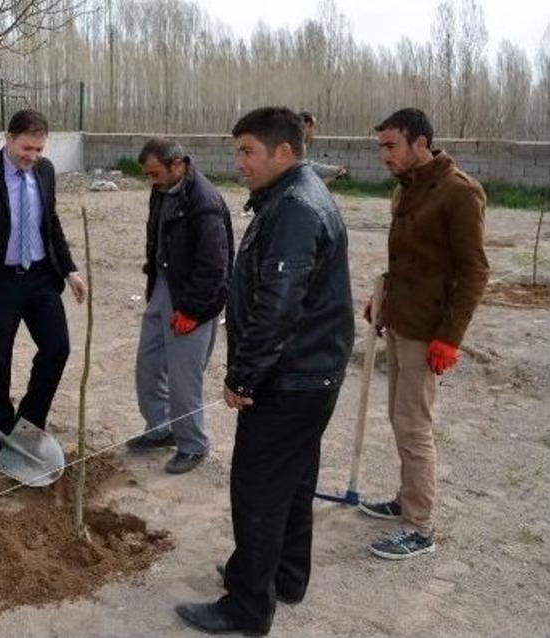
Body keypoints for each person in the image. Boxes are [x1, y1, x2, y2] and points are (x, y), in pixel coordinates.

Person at [176, 106, 354, 636]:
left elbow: (279, 303)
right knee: (295, 480)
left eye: (248, 151)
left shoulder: (296, 207)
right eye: (238, 152)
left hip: (291, 378)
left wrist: (243, 377)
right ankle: (286, 576)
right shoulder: (294, 197)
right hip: (312, 373)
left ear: (283, 152)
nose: (239, 163)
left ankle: (247, 605)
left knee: (257, 487)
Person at [359, 107, 489, 560]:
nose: (383, 156)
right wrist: (383, 300)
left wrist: (450, 338)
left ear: (420, 143)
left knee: (414, 425)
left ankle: (419, 527)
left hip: (428, 331)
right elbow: (412, 262)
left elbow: (474, 271)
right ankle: (406, 499)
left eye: (390, 146)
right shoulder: (408, 189)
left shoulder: (458, 193)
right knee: (400, 417)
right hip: (401, 321)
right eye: (381, 147)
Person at [0, 108, 87, 469]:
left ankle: (27, 429)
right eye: (26, 148)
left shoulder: (45, 171)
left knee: (57, 348)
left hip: (41, 276)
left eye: (39, 149)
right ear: (8, 138)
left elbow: (50, 222)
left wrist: (70, 269)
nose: (33, 156)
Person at [126, 138, 233, 474]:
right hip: (163, 286)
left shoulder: (204, 202)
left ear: (177, 165)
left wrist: (193, 311)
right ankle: (161, 429)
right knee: (148, 365)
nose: (151, 181)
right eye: (147, 175)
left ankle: (193, 445)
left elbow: (214, 267)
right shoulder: (162, 190)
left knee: (184, 380)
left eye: (155, 173)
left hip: (191, 298)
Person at [299, 111, 347, 182]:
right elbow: (310, 167)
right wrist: (336, 170)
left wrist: (336, 169)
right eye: (314, 127)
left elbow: (308, 165)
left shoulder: (298, 142)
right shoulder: (298, 145)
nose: (314, 132)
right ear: (308, 125)